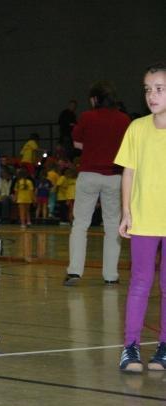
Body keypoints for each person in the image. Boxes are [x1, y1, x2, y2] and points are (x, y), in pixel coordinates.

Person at [115, 61, 166, 373]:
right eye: (148, 90)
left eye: (159, 89)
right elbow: (128, 172)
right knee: (140, 283)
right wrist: (126, 211)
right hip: (144, 220)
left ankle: (164, 346)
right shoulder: (137, 128)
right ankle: (130, 347)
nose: (152, 95)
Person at [63, 81, 130, 286]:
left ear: (95, 99)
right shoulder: (124, 119)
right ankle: (111, 275)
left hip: (89, 174)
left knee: (81, 223)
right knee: (112, 226)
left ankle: (75, 271)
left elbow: (76, 143)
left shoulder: (87, 116)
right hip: (115, 176)